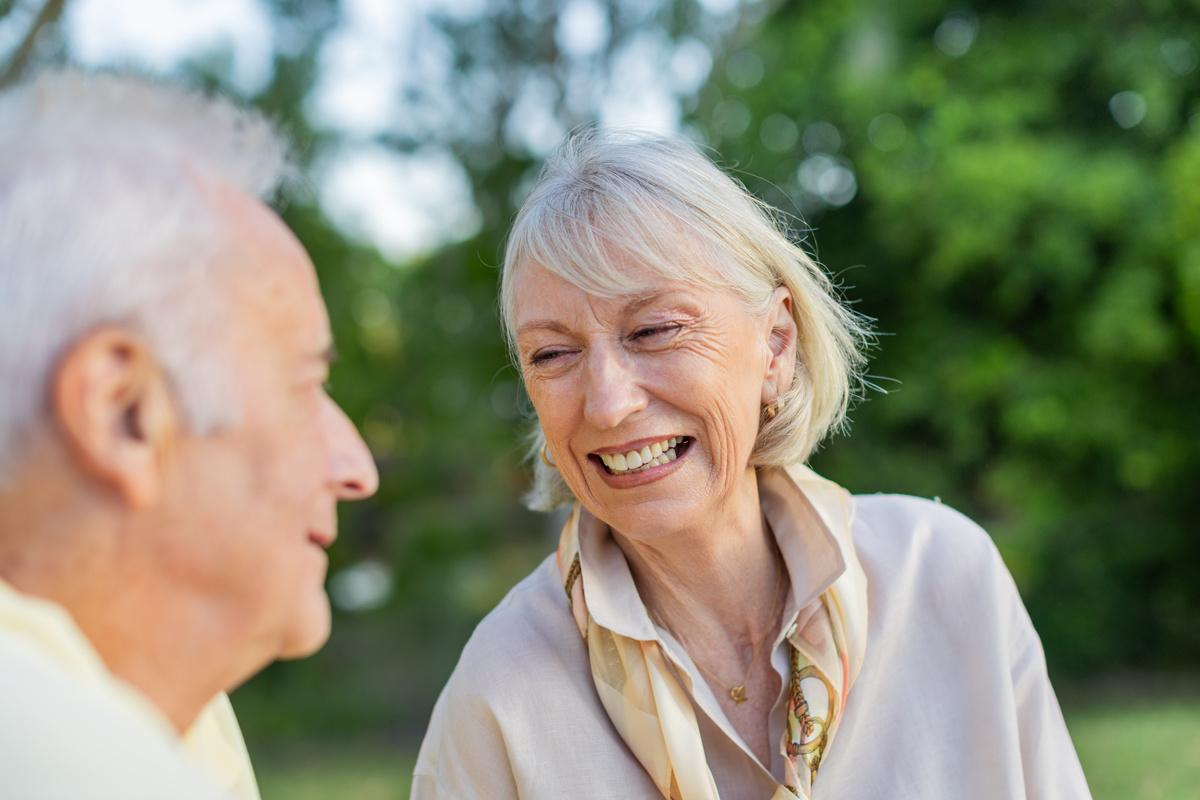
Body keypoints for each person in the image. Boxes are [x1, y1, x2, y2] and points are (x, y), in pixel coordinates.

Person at [412, 129, 1091, 800]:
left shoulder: (947, 578)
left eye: (654, 331)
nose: (609, 403)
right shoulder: (500, 693)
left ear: (776, 345)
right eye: (552, 355)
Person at [0, 69, 378, 799]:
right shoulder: (56, 756)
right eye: (305, 385)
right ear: (124, 414)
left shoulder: (171, 716)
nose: (358, 468)